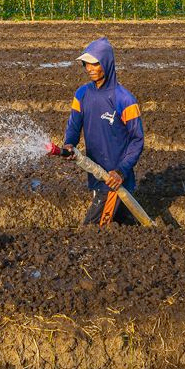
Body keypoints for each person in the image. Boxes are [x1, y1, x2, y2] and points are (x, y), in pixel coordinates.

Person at [59, 36, 145, 227]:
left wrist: (121, 172)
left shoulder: (124, 100)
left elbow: (137, 140)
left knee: (92, 229)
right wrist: (69, 144)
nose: (89, 69)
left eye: (94, 64)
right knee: (124, 226)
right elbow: (74, 126)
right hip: (97, 174)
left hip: (114, 181)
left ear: (106, 62)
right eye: (86, 64)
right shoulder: (82, 94)